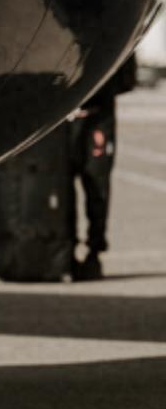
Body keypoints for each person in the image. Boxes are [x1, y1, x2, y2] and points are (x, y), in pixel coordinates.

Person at [68, 54, 137, 281]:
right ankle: (64, 250)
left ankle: (94, 251)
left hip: (98, 114)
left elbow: (126, 77)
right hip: (64, 117)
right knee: (60, 186)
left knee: (97, 186)